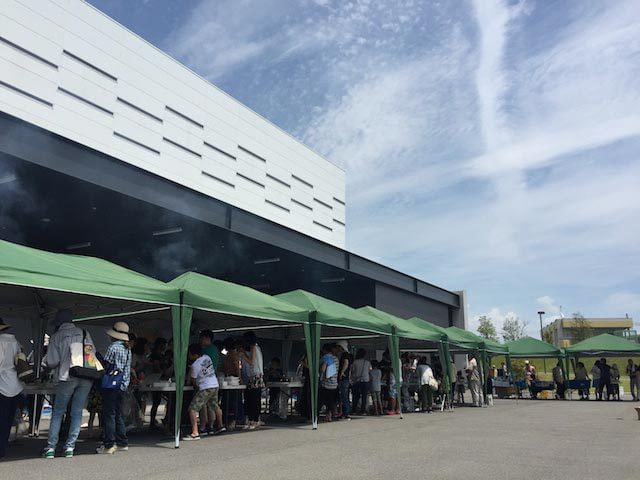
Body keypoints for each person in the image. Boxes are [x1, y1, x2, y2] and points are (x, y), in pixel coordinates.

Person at [42, 309, 94, 459]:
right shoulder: (84, 333)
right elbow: (91, 354)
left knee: (58, 412)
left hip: (66, 376)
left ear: (58, 323)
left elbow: (52, 361)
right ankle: (70, 447)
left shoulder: (56, 336)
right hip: (85, 376)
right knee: (77, 412)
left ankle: (51, 447)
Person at [97, 321, 132, 454]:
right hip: (122, 385)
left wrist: (98, 358)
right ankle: (122, 442)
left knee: (109, 415)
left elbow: (106, 365)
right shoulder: (127, 348)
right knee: (118, 414)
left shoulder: (113, 347)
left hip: (111, 384)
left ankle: (109, 444)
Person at [182, 344, 224, 440]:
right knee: (215, 406)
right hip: (214, 384)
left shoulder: (195, 365)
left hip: (205, 387)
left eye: (189, 354)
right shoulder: (207, 357)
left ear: (193, 354)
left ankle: (195, 432)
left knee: (192, 409)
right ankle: (221, 426)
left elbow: (193, 381)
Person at [0, 318, 23, 459]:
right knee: (7, 420)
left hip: (2, 385)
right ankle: (2, 448)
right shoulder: (16, 342)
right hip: (15, 385)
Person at [242, 331, 264, 430]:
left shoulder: (254, 347)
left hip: (255, 376)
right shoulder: (256, 347)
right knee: (252, 399)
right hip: (255, 375)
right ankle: (253, 420)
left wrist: (243, 356)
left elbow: (252, 362)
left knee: (253, 399)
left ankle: (255, 420)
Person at [319, 344, 339, 422]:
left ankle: (327, 416)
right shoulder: (336, 359)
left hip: (326, 383)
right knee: (332, 400)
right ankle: (331, 414)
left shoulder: (325, 358)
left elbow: (323, 369)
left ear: (324, 350)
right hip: (334, 383)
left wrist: (320, 371)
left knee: (325, 400)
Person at [351, 348, 372, 415]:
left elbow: (352, 370)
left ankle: (354, 410)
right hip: (365, 380)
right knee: (364, 396)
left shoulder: (355, 362)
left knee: (355, 396)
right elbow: (369, 371)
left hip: (357, 380)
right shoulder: (367, 362)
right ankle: (363, 410)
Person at [337, 346, 351, 420]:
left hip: (344, 379)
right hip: (346, 379)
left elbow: (346, 363)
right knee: (345, 396)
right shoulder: (348, 355)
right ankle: (345, 413)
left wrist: (342, 372)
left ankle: (346, 413)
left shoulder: (345, 355)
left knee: (344, 397)